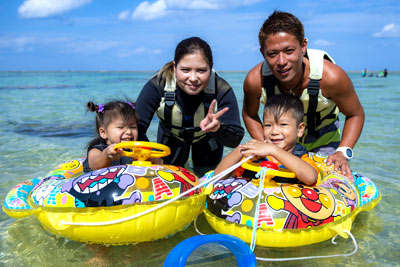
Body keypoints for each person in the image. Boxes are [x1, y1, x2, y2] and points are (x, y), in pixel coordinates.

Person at [242, 11, 364, 179]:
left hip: (324, 141)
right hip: (280, 142)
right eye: (272, 54)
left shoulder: (331, 78)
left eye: (289, 51)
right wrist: (265, 143)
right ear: (263, 53)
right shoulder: (255, 80)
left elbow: (355, 114)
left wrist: (342, 152)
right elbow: (249, 113)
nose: (282, 61)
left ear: (303, 45)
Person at [136, 37, 244, 176]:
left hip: (207, 140)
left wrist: (218, 129)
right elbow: (137, 128)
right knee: (168, 177)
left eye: (201, 70)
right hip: (170, 138)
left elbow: (235, 139)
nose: (193, 78)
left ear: (210, 68)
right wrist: (150, 155)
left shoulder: (221, 88)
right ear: (175, 67)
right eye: (185, 70)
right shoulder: (158, 85)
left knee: (206, 177)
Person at [215, 94, 318, 185]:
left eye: (283, 124)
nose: (274, 132)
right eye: (268, 125)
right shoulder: (254, 157)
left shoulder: (301, 157)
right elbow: (218, 177)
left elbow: (311, 178)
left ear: (300, 130)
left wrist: (273, 150)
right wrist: (242, 150)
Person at [83, 100, 139, 173]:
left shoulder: (136, 149)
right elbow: (95, 167)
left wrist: (150, 158)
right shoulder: (96, 150)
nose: (129, 132)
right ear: (103, 133)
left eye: (133, 127)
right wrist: (106, 155)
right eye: (121, 127)